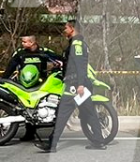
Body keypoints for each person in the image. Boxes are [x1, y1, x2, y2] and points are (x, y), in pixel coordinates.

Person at [45, 19, 106, 152]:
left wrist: (80, 85)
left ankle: (52, 144)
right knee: (89, 113)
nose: (64, 31)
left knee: (62, 113)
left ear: (72, 28)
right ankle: (98, 141)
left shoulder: (77, 44)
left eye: (66, 28)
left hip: (75, 85)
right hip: (77, 83)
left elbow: (80, 66)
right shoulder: (75, 43)